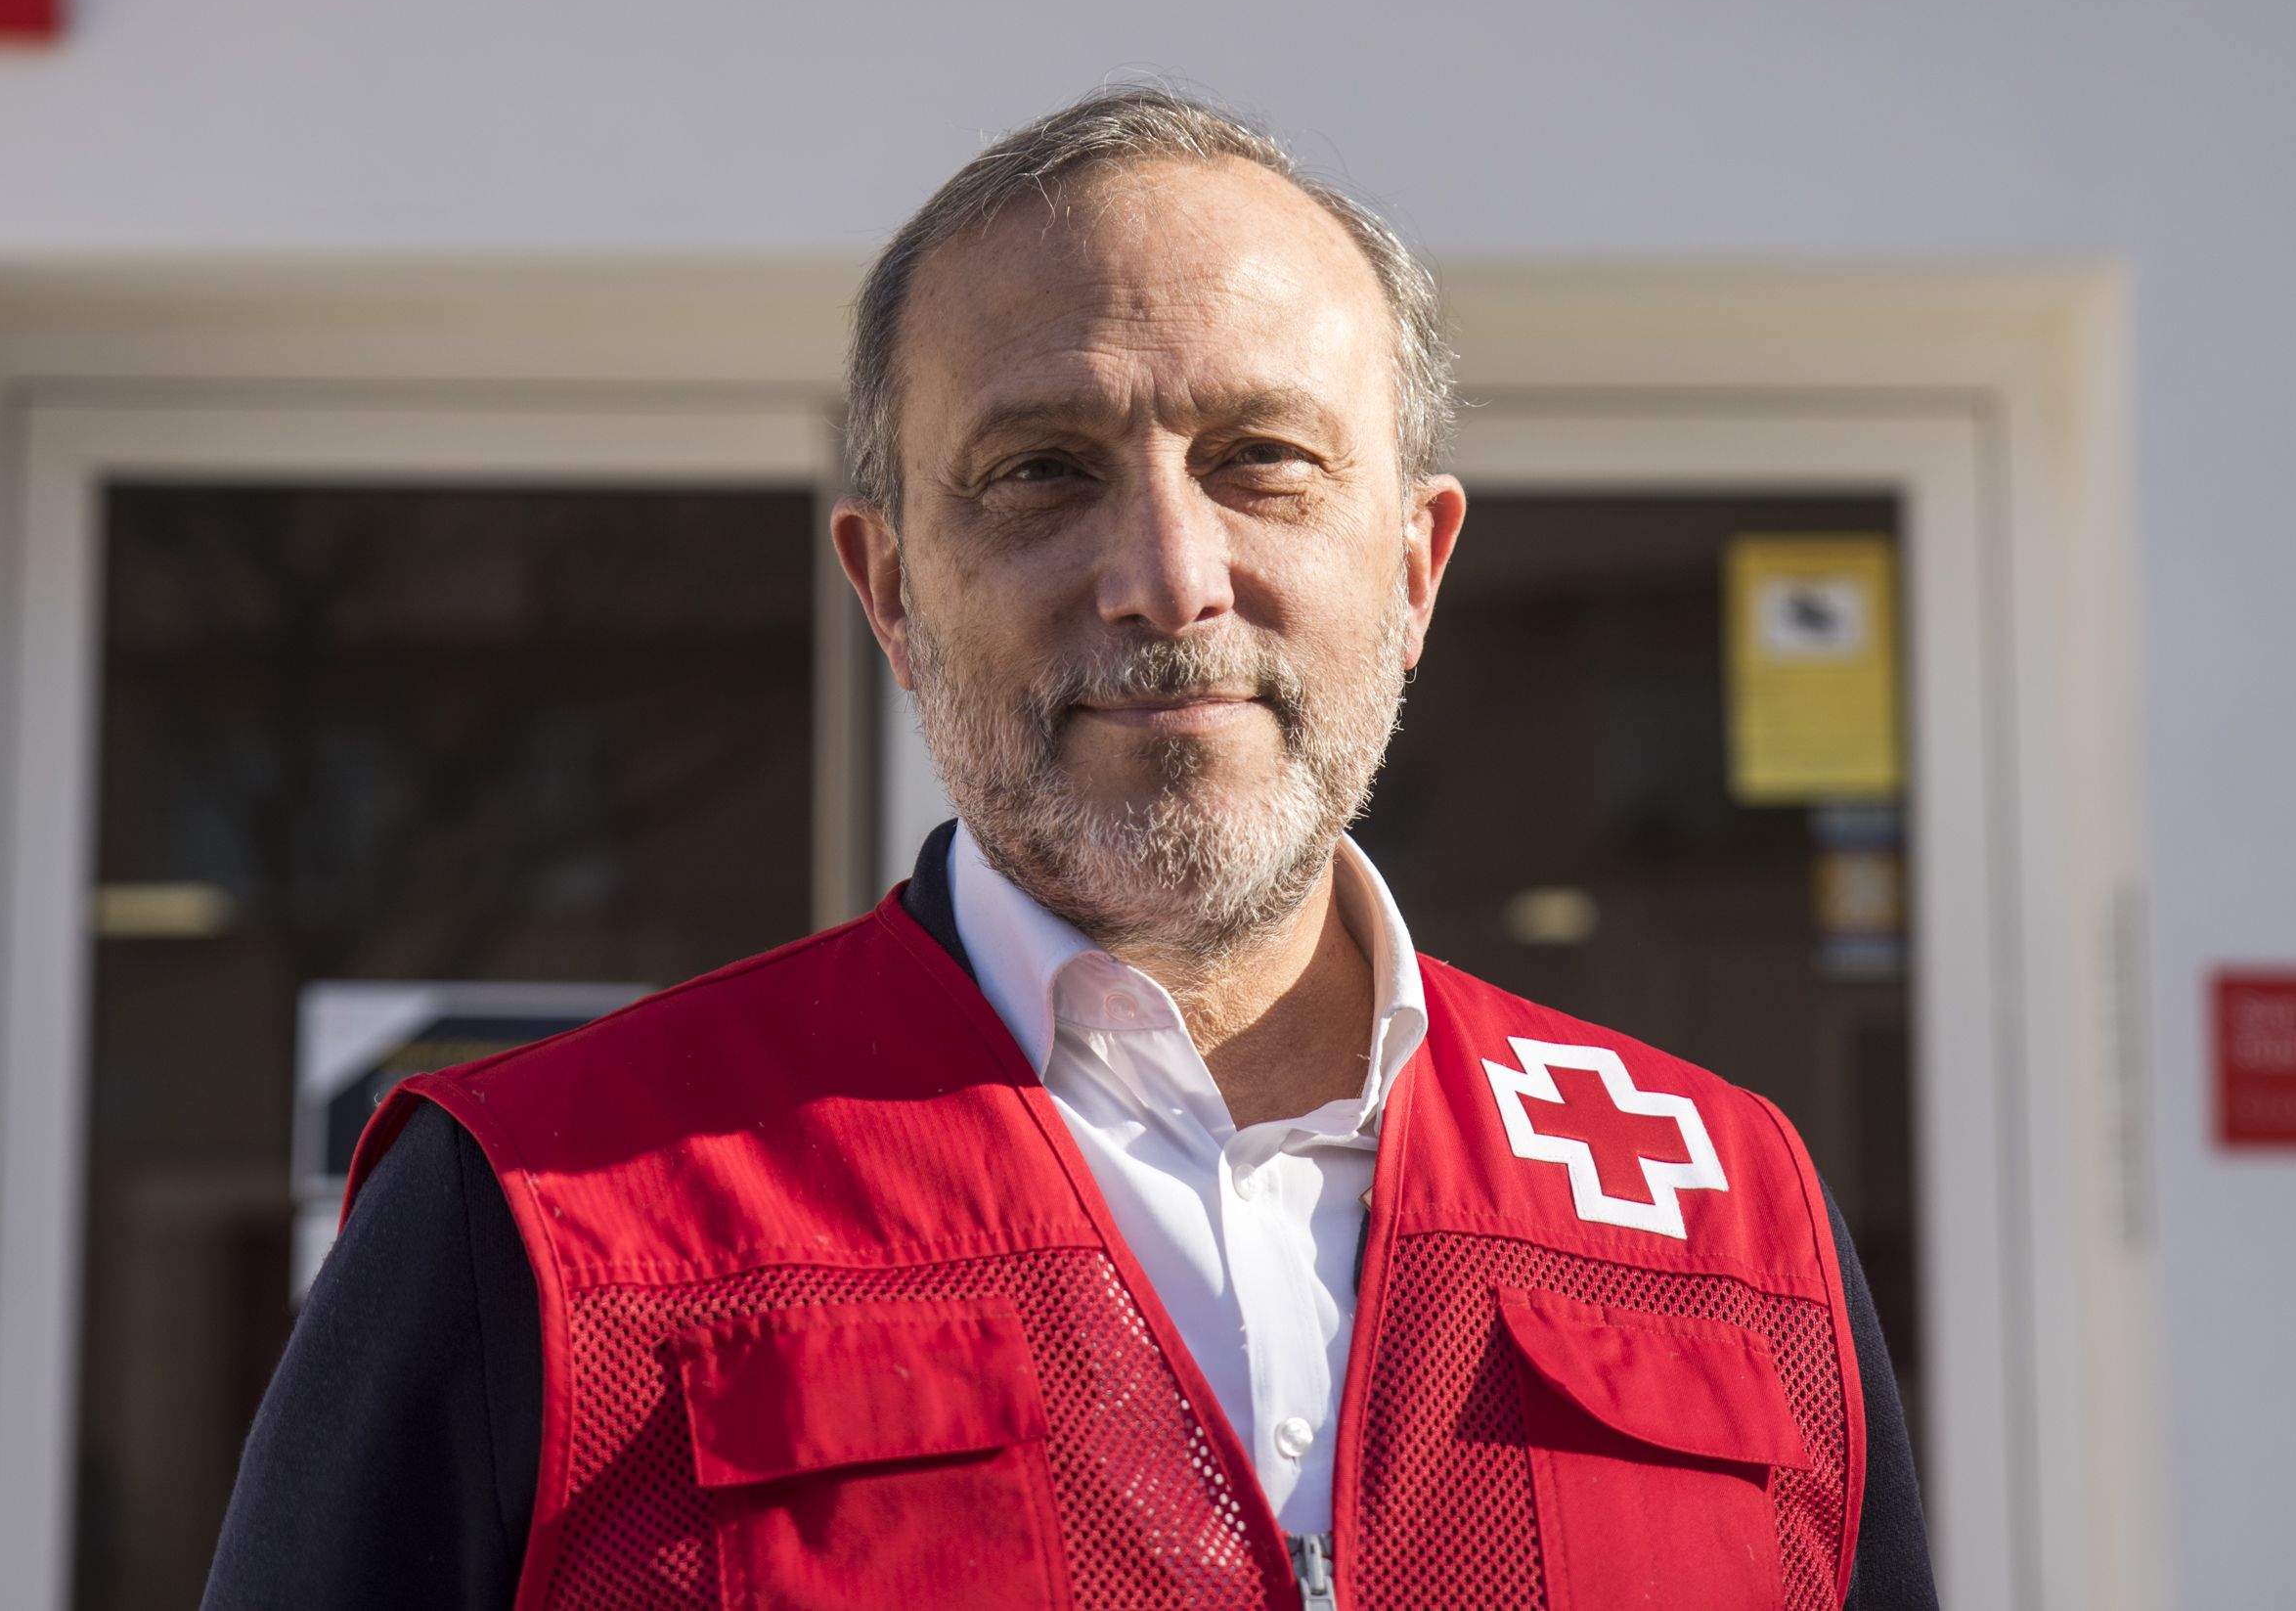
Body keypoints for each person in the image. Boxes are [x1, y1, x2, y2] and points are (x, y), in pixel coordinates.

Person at [202, 86, 1937, 1611]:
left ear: (1415, 569)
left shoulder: (1733, 1217)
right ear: (890, 588)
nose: (1167, 576)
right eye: (1042, 471)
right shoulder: (542, 1216)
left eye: (1264, 460)